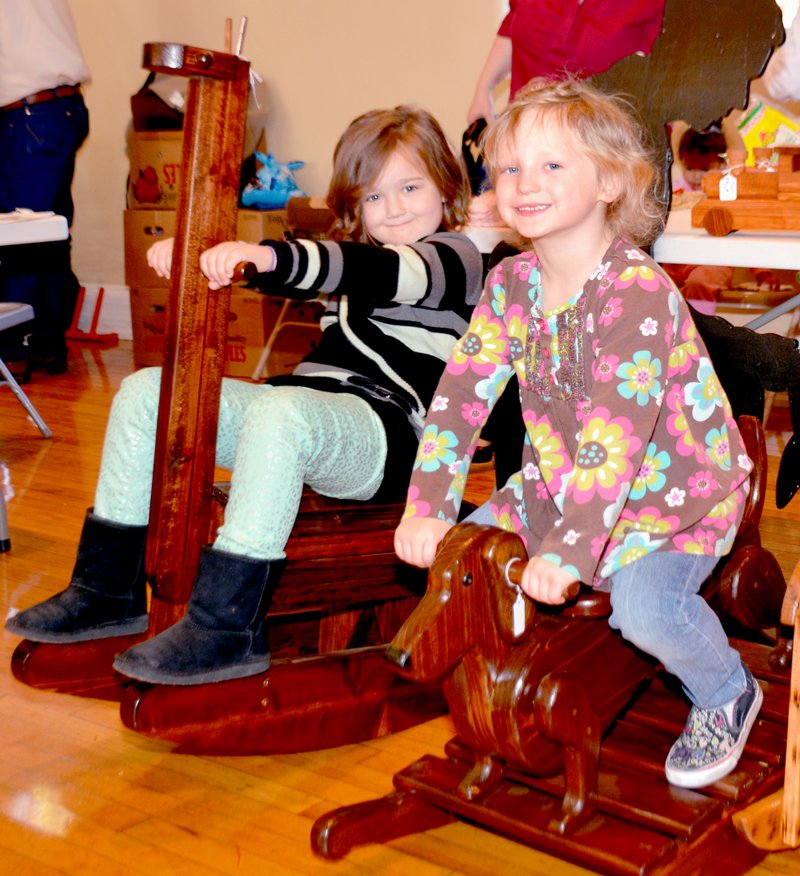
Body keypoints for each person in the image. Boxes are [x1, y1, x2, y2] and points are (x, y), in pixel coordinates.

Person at [6, 105, 484, 686]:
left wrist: (265, 256)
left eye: (410, 186)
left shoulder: (457, 257)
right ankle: (107, 589)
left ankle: (228, 624)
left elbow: (373, 270)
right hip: (310, 406)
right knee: (145, 392)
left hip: (391, 436)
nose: (395, 208)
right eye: (374, 197)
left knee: (284, 412)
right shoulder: (358, 258)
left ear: (445, 185)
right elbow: (328, 263)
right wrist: (199, 254)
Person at [395, 76, 761, 790]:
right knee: (465, 560)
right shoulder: (509, 285)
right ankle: (520, 685)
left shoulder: (637, 292)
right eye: (509, 169)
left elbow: (616, 442)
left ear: (609, 183)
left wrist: (568, 549)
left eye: (551, 165)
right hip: (564, 486)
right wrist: (430, 505)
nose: (524, 183)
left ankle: (724, 691)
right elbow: (460, 395)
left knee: (646, 610)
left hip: (673, 495)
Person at [0, 0, 90, 378]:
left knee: (19, 237)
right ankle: (47, 345)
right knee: (47, 235)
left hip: (30, 117)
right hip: (56, 110)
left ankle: (13, 352)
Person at [466, 0, 666, 124]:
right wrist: (484, 89)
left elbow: (663, 78)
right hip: (524, 136)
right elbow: (513, 23)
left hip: (603, 151)